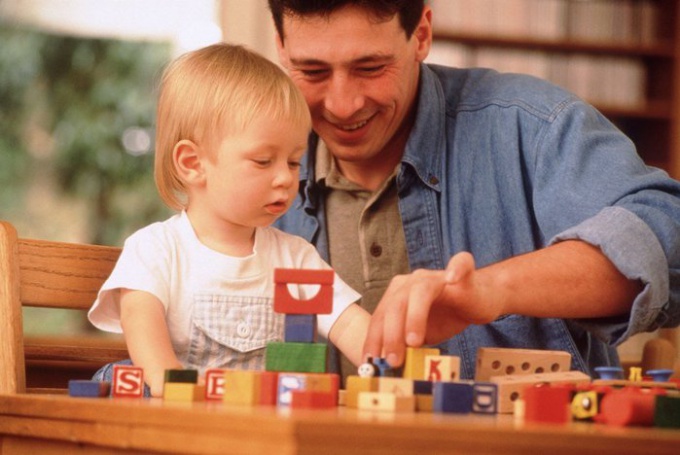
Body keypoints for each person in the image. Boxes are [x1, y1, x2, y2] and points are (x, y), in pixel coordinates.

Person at [267, 0, 680, 381]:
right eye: (313, 72)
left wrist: (493, 289)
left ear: (422, 36)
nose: (343, 104)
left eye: (371, 68)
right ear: (281, 46)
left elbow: (666, 230)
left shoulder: (532, 127)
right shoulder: (242, 163)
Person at [88, 43, 370, 397]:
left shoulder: (296, 257)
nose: (286, 178)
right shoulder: (155, 250)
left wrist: (389, 357)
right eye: (264, 161)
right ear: (193, 163)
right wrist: (178, 386)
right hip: (172, 420)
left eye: (294, 162)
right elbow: (146, 342)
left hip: (256, 430)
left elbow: (350, 327)